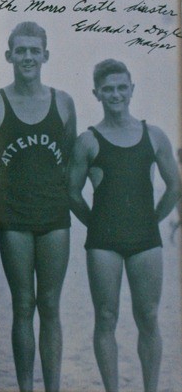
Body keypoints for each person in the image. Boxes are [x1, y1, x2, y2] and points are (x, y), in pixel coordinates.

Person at [68, 59, 180, 392]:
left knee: (148, 317)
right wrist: (96, 225)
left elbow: (175, 186)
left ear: (131, 89)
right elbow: (72, 193)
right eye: (108, 89)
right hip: (103, 243)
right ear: (96, 93)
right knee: (105, 317)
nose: (115, 94)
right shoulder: (87, 141)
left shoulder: (154, 135)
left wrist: (153, 220)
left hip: (146, 240)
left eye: (121, 87)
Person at [0, 22, 76, 392]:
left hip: (54, 217)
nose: (28, 57)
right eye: (21, 50)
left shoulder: (63, 102)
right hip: (14, 219)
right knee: (23, 304)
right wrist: (6, 205)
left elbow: (66, 160)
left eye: (35, 50)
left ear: (46, 55)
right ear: (9, 56)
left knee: (50, 305)